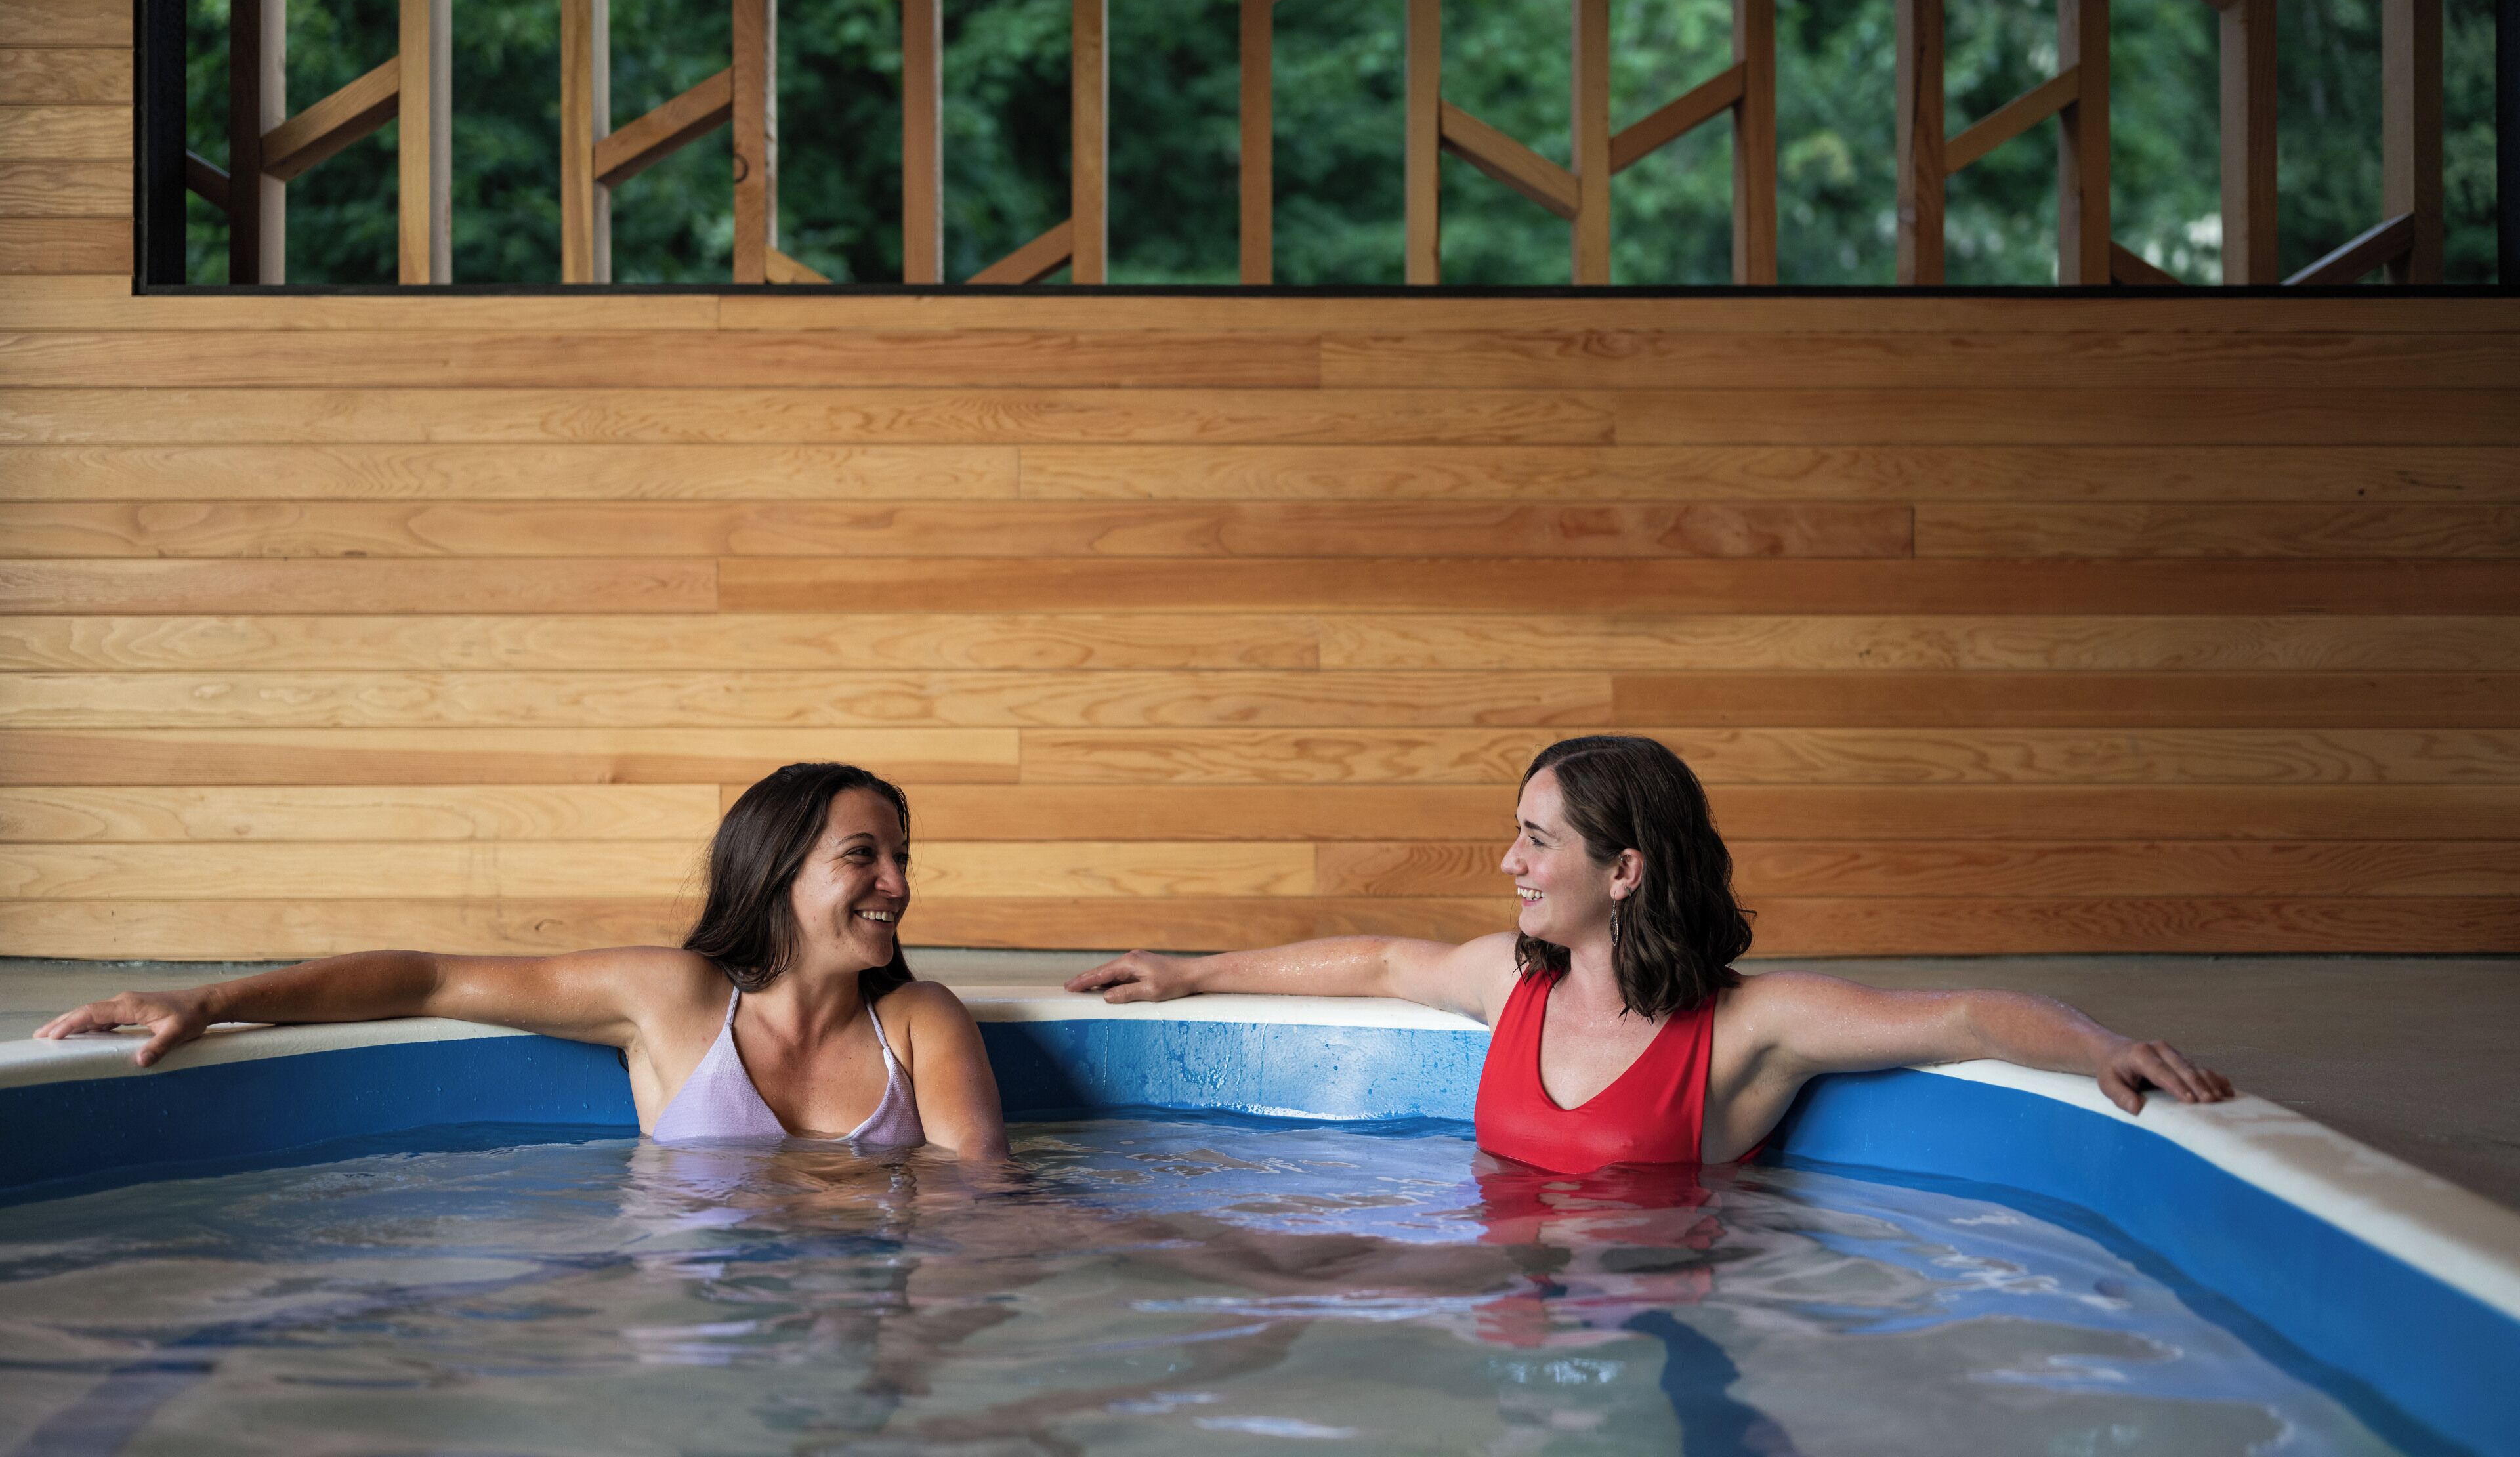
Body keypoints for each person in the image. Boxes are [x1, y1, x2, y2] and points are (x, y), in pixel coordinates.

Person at [1067, 734, 2233, 1174]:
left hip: (1664, 1332)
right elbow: (1372, 962)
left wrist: (2101, 1047)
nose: (1510, 863)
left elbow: (1974, 1016)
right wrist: (1190, 974)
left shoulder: (1749, 1028)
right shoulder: (1506, 983)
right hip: (1504, 1308)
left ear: (1624, 870)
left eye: (1537, 840)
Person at [36, 763, 1009, 1158]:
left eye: (901, 858)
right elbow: (426, 978)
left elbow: (981, 1210)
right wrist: (209, 1001)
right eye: (863, 857)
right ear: (777, 874)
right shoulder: (674, 1001)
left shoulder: (920, 1021)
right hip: (709, 1340)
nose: (897, 883)